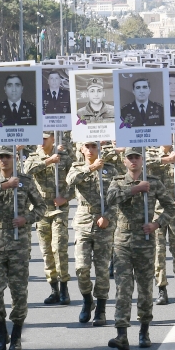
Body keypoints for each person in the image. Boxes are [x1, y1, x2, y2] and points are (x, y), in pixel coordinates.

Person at [105, 146, 175, 350]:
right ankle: (121, 334)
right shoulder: (118, 182)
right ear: (124, 161)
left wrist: (156, 224)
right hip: (123, 239)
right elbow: (110, 199)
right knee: (123, 288)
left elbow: (170, 206)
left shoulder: (154, 182)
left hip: (145, 239)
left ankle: (144, 330)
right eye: (130, 158)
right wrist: (135, 189)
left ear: (142, 160)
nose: (133, 161)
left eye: (137, 157)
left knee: (145, 287)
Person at [0, 146, 44, 350]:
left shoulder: (26, 181)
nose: (4, 160)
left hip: (19, 239)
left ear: (14, 158)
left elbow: (41, 208)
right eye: (0, 157)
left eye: (8, 156)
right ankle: (1, 330)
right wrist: (4, 185)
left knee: (19, 290)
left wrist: (27, 218)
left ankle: (16, 335)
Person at [67, 140, 120, 326]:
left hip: (104, 223)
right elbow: (70, 181)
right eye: (86, 146)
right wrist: (90, 169)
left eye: (93, 146)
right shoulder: (76, 167)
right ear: (81, 149)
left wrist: (108, 216)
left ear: (99, 148)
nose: (90, 150)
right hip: (83, 221)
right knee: (81, 268)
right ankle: (87, 299)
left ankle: (102, 308)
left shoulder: (110, 170)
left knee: (102, 269)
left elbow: (116, 197)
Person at [22, 132, 74, 307]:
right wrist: (48, 161)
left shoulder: (65, 157)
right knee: (46, 250)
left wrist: (66, 198)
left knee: (59, 247)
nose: (41, 140)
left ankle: (64, 287)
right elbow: (26, 171)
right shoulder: (33, 157)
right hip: (41, 208)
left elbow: (76, 180)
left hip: (59, 207)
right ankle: (54, 289)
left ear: (53, 138)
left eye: (45, 137)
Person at [146, 141, 175, 305]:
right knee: (158, 251)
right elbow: (141, 165)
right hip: (156, 211)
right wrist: (166, 159)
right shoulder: (150, 154)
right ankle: (162, 288)